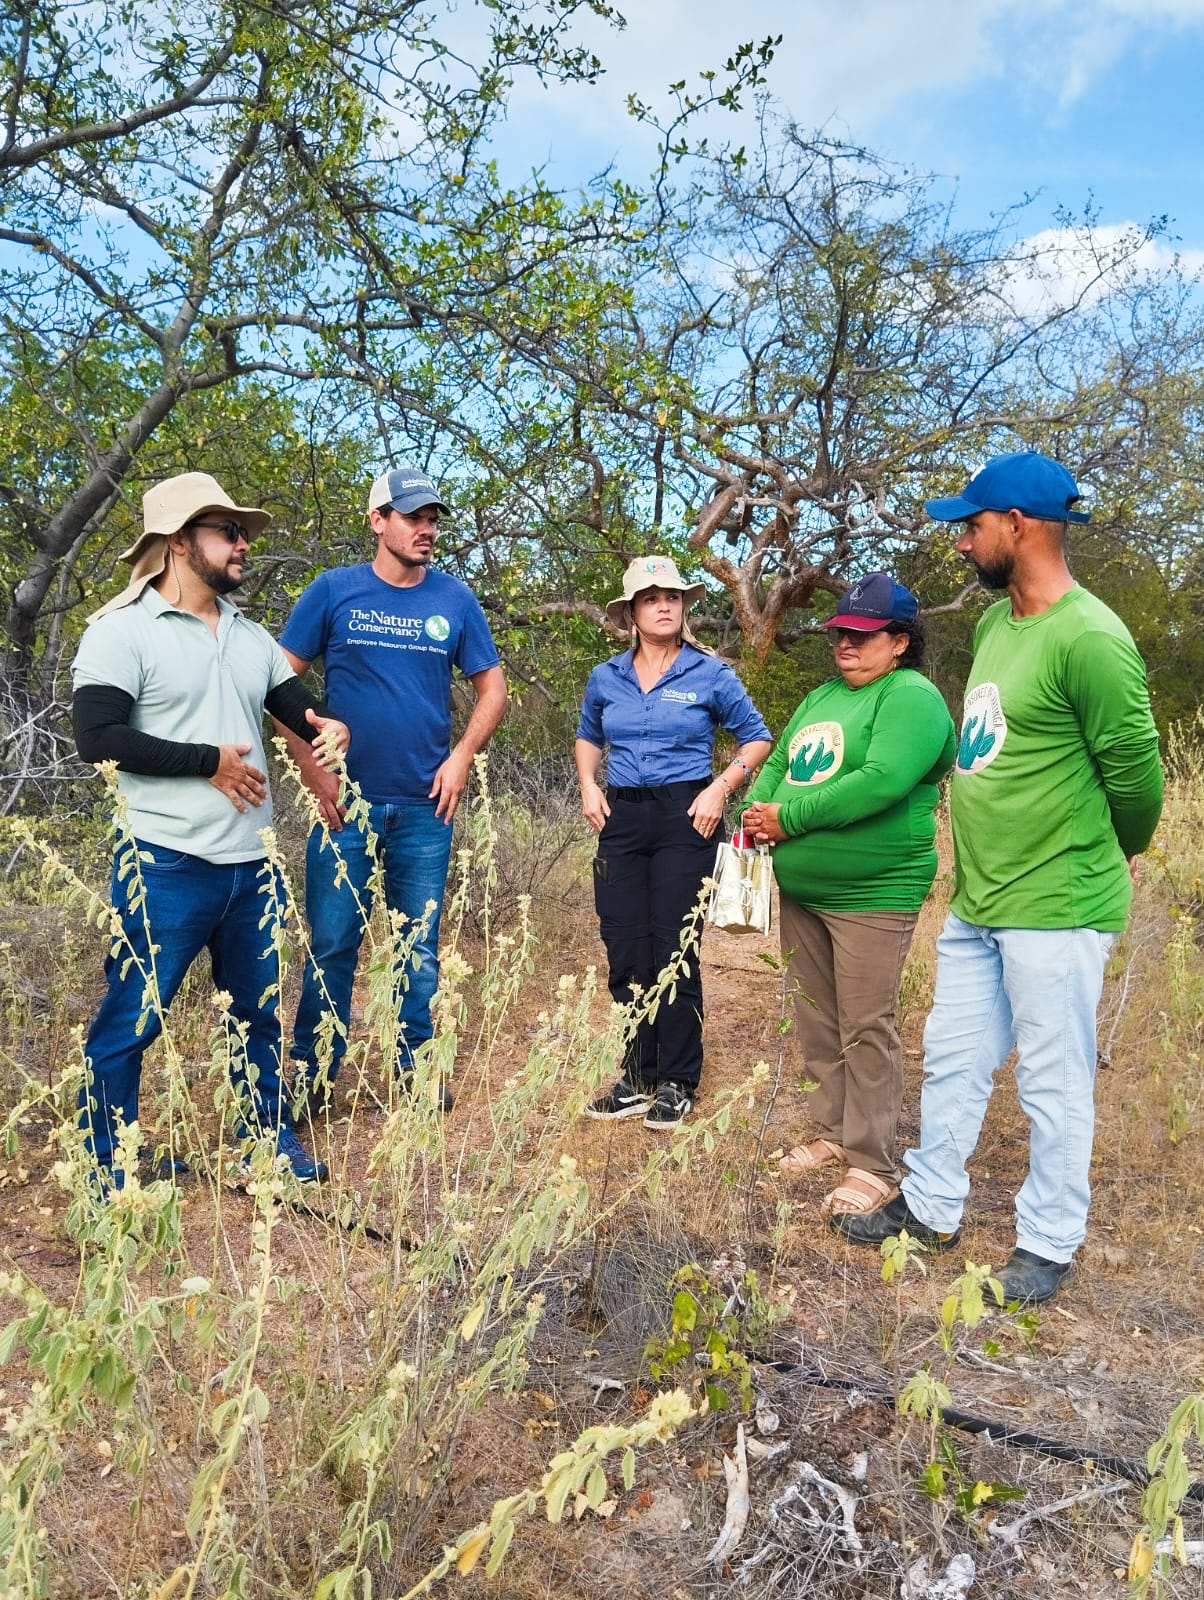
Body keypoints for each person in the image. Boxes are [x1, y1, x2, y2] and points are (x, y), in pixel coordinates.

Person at [835, 451, 1164, 1305]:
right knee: (951, 1059)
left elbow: (1136, 781)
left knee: (1053, 1083)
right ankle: (933, 1207)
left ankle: (1049, 1241)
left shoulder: (1090, 637)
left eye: (971, 526)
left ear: (1020, 526)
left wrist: (1104, 852)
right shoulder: (994, 627)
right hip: (981, 898)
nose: (959, 542)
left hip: (1056, 902)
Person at [72, 472, 350, 1188]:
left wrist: (330, 729)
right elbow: (96, 738)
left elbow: (299, 713)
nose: (242, 545)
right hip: (162, 863)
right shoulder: (120, 631)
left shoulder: (251, 636)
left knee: (258, 1017)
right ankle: (108, 1168)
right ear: (177, 542)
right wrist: (208, 764)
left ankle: (267, 1142)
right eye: (227, 531)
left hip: (250, 866)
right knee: (132, 1020)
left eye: (242, 533)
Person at [278, 463, 507, 1112]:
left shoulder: (454, 600)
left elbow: (493, 690)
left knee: (418, 949)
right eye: (413, 517)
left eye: (433, 519)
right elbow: (278, 683)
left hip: (424, 810)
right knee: (331, 945)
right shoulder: (333, 591)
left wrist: (462, 755)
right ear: (377, 521)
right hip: (344, 807)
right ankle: (316, 1078)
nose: (426, 529)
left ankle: (416, 1074)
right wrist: (313, 770)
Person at [741, 572, 956, 1215]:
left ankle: (872, 1161)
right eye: (840, 633)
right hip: (803, 887)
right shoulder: (822, 696)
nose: (847, 645)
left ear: (899, 642)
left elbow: (882, 781)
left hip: (874, 891)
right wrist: (757, 810)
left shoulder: (911, 696)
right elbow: (778, 764)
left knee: (866, 1024)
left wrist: (791, 819)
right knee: (816, 1017)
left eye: (863, 636)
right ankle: (830, 1133)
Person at [576, 554, 772, 1128]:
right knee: (625, 949)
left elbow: (756, 739)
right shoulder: (606, 676)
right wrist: (589, 784)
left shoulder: (709, 674)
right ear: (631, 612)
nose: (663, 605)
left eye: (672, 597)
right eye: (650, 597)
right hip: (622, 818)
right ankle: (636, 1074)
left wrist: (720, 789)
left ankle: (676, 1080)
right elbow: (589, 735)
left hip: (687, 815)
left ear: (683, 607)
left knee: (674, 950)